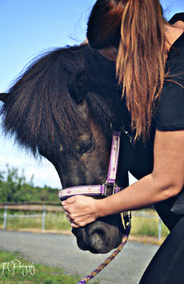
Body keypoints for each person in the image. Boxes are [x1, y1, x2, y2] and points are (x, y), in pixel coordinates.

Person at [62, 1, 184, 283]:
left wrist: (95, 208)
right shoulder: (177, 26)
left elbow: (167, 182)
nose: (117, 70)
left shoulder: (176, 83)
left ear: (131, 43)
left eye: (115, 60)